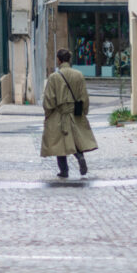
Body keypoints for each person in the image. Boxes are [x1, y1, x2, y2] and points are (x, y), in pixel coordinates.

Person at [40, 48, 98, 177]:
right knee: (75, 139)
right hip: (74, 113)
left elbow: (49, 99)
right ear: (69, 59)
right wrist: (83, 112)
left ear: (58, 60)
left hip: (59, 113)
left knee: (59, 142)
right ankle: (80, 156)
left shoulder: (54, 77)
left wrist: (48, 113)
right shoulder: (78, 75)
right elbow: (84, 96)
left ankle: (64, 170)